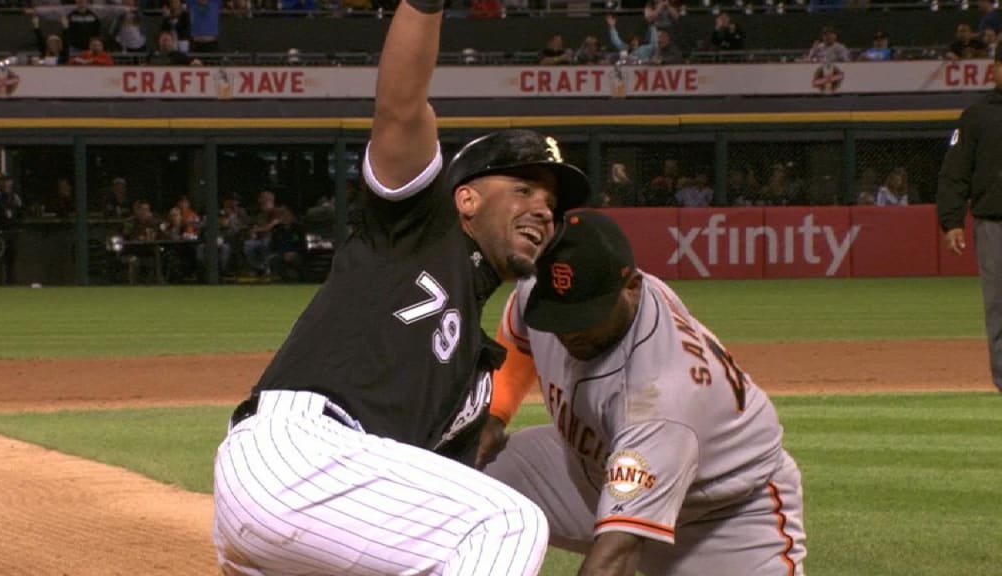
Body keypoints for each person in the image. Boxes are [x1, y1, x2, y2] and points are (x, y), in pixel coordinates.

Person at [210, 0, 592, 575]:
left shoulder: (473, 368)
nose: (543, 210)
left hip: (323, 501)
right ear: (467, 197)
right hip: (299, 453)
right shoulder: (418, 223)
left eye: (552, 205)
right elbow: (401, 107)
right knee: (508, 524)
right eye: (524, 189)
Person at [478, 210, 808, 576]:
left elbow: (612, 561)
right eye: (559, 318)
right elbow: (521, 339)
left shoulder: (661, 396)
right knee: (457, 476)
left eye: (584, 317)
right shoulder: (547, 288)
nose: (569, 332)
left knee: (619, 539)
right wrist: (494, 415)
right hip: (589, 471)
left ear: (632, 288)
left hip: (719, 520)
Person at [937, 49, 1002, 393]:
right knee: (999, 305)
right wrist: (952, 221)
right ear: (994, 70)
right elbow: (955, 173)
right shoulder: (977, 116)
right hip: (994, 224)